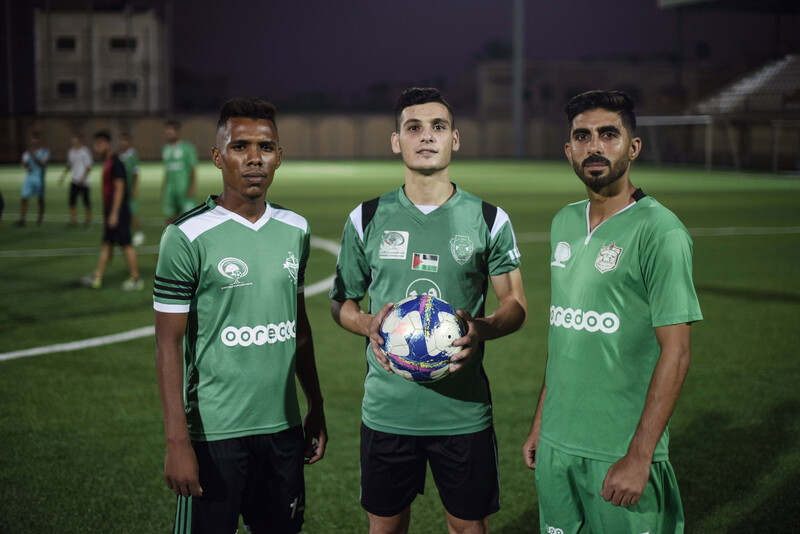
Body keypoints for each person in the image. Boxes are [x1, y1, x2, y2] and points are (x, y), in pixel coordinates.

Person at [330, 87, 527, 534]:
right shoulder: (366, 217)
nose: (426, 136)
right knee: (385, 530)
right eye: (413, 127)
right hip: (387, 410)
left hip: (463, 411)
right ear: (396, 141)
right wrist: (366, 323)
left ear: (455, 139)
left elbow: (514, 306)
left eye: (438, 127)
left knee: (467, 528)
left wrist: (479, 328)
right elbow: (342, 301)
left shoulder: (489, 218)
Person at [522, 90, 703, 533]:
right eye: (582, 136)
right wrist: (542, 424)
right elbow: (565, 332)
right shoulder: (563, 221)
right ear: (568, 150)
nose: (595, 146)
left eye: (609, 134)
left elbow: (676, 352)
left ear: (633, 147)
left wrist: (639, 457)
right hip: (557, 446)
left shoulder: (661, 231)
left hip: (618, 451)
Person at [154, 97, 327, 534]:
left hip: (284, 430)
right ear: (218, 156)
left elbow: (299, 328)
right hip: (214, 436)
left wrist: (316, 405)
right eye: (240, 147)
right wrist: (177, 441)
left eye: (266, 147)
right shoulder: (185, 236)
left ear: (279, 157)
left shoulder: (296, 229)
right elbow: (167, 344)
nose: (254, 158)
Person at [80, 131, 142, 291]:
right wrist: (107, 214)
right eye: (96, 143)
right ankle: (97, 276)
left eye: (101, 143)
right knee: (107, 244)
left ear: (108, 144)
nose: (97, 146)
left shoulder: (116, 162)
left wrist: (114, 213)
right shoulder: (108, 162)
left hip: (119, 212)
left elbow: (120, 188)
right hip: (112, 212)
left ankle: (136, 279)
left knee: (126, 244)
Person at [162, 119, 198, 223]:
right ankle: (170, 239)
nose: (169, 133)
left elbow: (192, 169)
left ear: (178, 132)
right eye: (168, 131)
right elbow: (166, 170)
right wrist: (164, 187)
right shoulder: (166, 148)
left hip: (184, 189)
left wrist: (192, 187)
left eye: (172, 130)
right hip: (170, 190)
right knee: (170, 218)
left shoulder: (187, 148)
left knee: (190, 218)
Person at [59, 132, 93, 228]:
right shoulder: (71, 152)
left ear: (80, 140)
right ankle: (73, 221)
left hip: (84, 182)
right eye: (72, 140)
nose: (73, 141)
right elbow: (69, 165)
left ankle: (88, 220)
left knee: (86, 202)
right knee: (72, 202)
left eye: (75, 139)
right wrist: (63, 176)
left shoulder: (85, 151)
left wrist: (83, 178)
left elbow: (89, 167)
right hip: (74, 180)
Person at [16, 131, 50, 226]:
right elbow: (23, 164)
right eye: (33, 139)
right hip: (29, 178)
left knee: (40, 199)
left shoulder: (45, 152)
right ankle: (22, 219)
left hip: (39, 179)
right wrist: (26, 166)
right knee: (24, 198)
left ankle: (40, 218)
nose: (34, 141)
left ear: (39, 140)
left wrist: (33, 156)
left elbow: (42, 164)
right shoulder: (27, 152)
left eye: (36, 139)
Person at [119, 133, 145, 245]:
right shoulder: (120, 156)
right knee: (123, 213)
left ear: (129, 142)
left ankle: (139, 233)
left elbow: (136, 173)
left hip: (129, 190)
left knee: (132, 213)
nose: (122, 143)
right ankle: (123, 234)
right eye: (121, 140)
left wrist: (134, 188)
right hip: (121, 190)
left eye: (125, 140)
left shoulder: (133, 155)